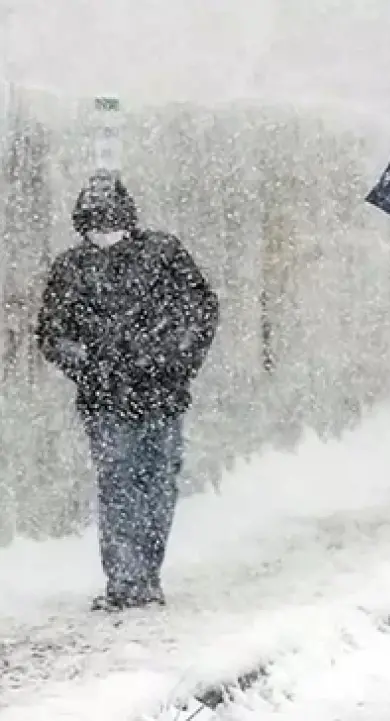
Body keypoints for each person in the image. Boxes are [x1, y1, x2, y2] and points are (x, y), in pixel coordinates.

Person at [35, 171, 219, 611]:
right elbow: (53, 335)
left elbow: (200, 311)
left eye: (108, 217)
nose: (102, 228)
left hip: (160, 393)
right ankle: (126, 581)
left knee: (154, 487)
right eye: (94, 219)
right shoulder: (71, 268)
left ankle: (143, 576)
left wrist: (173, 357)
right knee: (122, 485)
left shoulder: (163, 254)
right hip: (108, 399)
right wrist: (93, 363)